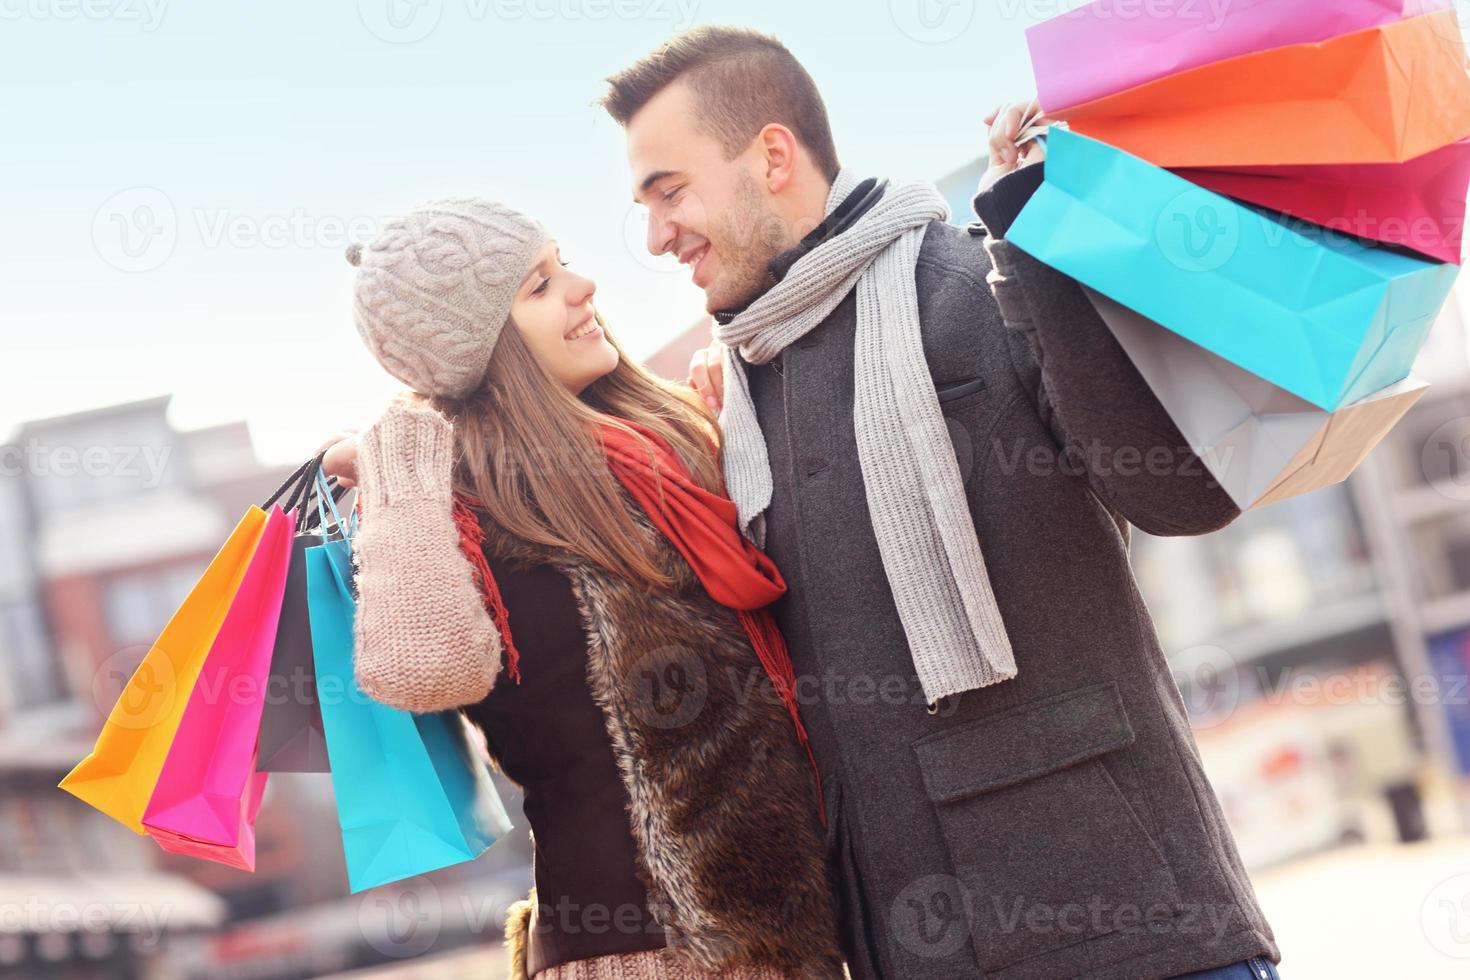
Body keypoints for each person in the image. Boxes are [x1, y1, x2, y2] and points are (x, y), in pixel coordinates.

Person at [599, 26, 1283, 980]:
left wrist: (1046, 234)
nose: (655, 234)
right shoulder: (741, 392)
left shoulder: (979, 276)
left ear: (770, 156)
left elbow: (1181, 493)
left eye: (669, 191)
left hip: (1138, 930)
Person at [319, 197, 845, 980]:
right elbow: (423, 671)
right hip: (640, 955)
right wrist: (399, 472)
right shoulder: (454, 500)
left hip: (788, 937)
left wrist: (735, 428)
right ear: (481, 346)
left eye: (561, 263)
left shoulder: (653, 450)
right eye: (538, 286)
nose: (583, 286)